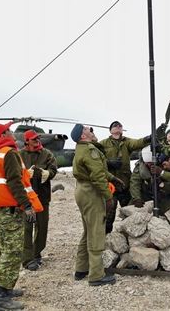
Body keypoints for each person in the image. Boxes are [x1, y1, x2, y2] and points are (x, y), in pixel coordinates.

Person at [0, 121, 42, 310]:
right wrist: (27, 205)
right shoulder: (9, 154)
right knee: (11, 253)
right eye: (8, 130)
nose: (12, 133)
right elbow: (15, 183)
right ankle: (1, 299)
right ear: (3, 136)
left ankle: (3, 290)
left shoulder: (0, 153)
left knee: (4, 252)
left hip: (2, 212)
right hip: (10, 213)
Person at [71, 123, 122, 287]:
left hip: (82, 190)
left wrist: (113, 178)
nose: (91, 131)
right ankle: (96, 275)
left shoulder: (82, 148)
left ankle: (81, 269)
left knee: (87, 230)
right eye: (88, 130)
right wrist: (108, 197)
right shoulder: (90, 150)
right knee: (96, 231)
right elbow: (98, 176)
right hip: (91, 192)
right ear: (83, 136)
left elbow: (98, 170)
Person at [99, 121, 152, 232]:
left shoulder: (126, 142)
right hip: (110, 186)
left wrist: (148, 138)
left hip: (124, 184)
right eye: (115, 126)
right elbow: (97, 160)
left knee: (129, 213)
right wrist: (109, 163)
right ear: (110, 130)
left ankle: (127, 237)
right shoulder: (103, 143)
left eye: (120, 126)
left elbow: (137, 143)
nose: (118, 127)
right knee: (108, 215)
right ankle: (105, 238)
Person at [19, 130, 57, 271]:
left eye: (38, 138)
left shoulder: (47, 154)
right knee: (27, 227)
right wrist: (24, 174)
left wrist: (48, 173)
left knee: (42, 227)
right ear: (27, 141)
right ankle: (28, 259)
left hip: (42, 197)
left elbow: (53, 169)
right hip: (27, 199)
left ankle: (36, 253)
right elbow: (14, 172)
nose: (37, 141)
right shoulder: (20, 155)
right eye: (34, 139)